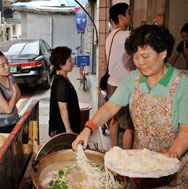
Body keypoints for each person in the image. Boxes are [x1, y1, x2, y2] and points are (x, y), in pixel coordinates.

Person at [73, 25, 188, 187]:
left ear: (163, 53)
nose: (140, 63)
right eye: (135, 57)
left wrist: (171, 155)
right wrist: (88, 129)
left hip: (173, 165)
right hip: (140, 164)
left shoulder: (182, 84)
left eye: (145, 56)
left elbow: (185, 132)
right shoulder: (132, 79)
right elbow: (110, 107)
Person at [105, 2, 135, 149]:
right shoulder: (128, 36)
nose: (131, 16)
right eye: (128, 13)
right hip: (123, 85)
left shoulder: (110, 36)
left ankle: (113, 150)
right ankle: (125, 157)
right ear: (121, 16)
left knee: (114, 120)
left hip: (111, 83)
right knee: (129, 126)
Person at [48, 46, 80, 137]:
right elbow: (62, 107)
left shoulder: (62, 78)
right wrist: (68, 129)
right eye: (69, 61)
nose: (72, 63)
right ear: (61, 65)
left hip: (69, 121)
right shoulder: (61, 83)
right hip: (64, 127)